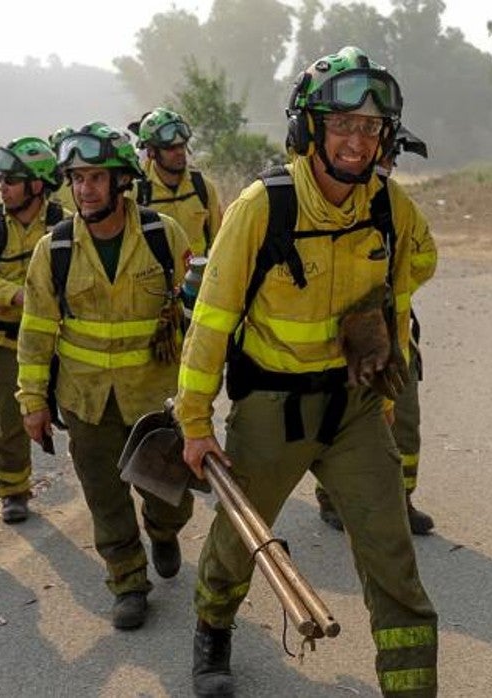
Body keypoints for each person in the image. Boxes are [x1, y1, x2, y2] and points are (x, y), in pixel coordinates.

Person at [175, 47, 438, 698]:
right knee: (242, 541)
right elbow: (211, 319)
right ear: (310, 130)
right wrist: (194, 421)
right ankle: (212, 631)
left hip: (350, 409)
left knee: (393, 562)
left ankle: (412, 687)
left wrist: (384, 384)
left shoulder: (389, 207)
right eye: (342, 125)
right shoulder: (264, 207)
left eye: (370, 129)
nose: (357, 141)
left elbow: (404, 290)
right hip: (272, 408)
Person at [16, 122, 195, 630]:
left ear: (122, 182)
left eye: (96, 177)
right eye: (76, 178)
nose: (84, 189)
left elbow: (197, 319)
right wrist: (32, 400)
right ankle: (128, 581)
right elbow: (35, 331)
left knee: (169, 498)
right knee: (105, 498)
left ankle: (162, 533)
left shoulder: (164, 237)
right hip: (86, 401)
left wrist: (199, 393)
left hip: (156, 401)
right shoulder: (54, 249)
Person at [315, 124, 437, 535]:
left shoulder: (393, 205)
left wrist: (390, 294)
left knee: (403, 415)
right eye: (385, 158)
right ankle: (331, 498)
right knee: (337, 416)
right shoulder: (323, 202)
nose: (385, 166)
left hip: (391, 329)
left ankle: (400, 499)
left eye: (389, 158)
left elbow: (424, 257)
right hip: (336, 334)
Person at [0, 137, 64, 524]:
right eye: (0, 178)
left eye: (11, 180)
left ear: (37, 185)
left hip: (59, 340)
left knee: (81, 413)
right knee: (10, 418)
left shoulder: (64, 224)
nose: (1, 186)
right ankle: (14, 491)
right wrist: (15, 295)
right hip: (5, 341)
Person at [129, 107, 222, 256]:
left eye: (182, 146)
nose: (179, 152)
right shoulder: (136, 193)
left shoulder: (203, 187)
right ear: (151, 151)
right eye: (171, 148)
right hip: (158, 277)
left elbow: (219, 241)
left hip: (197, 275)